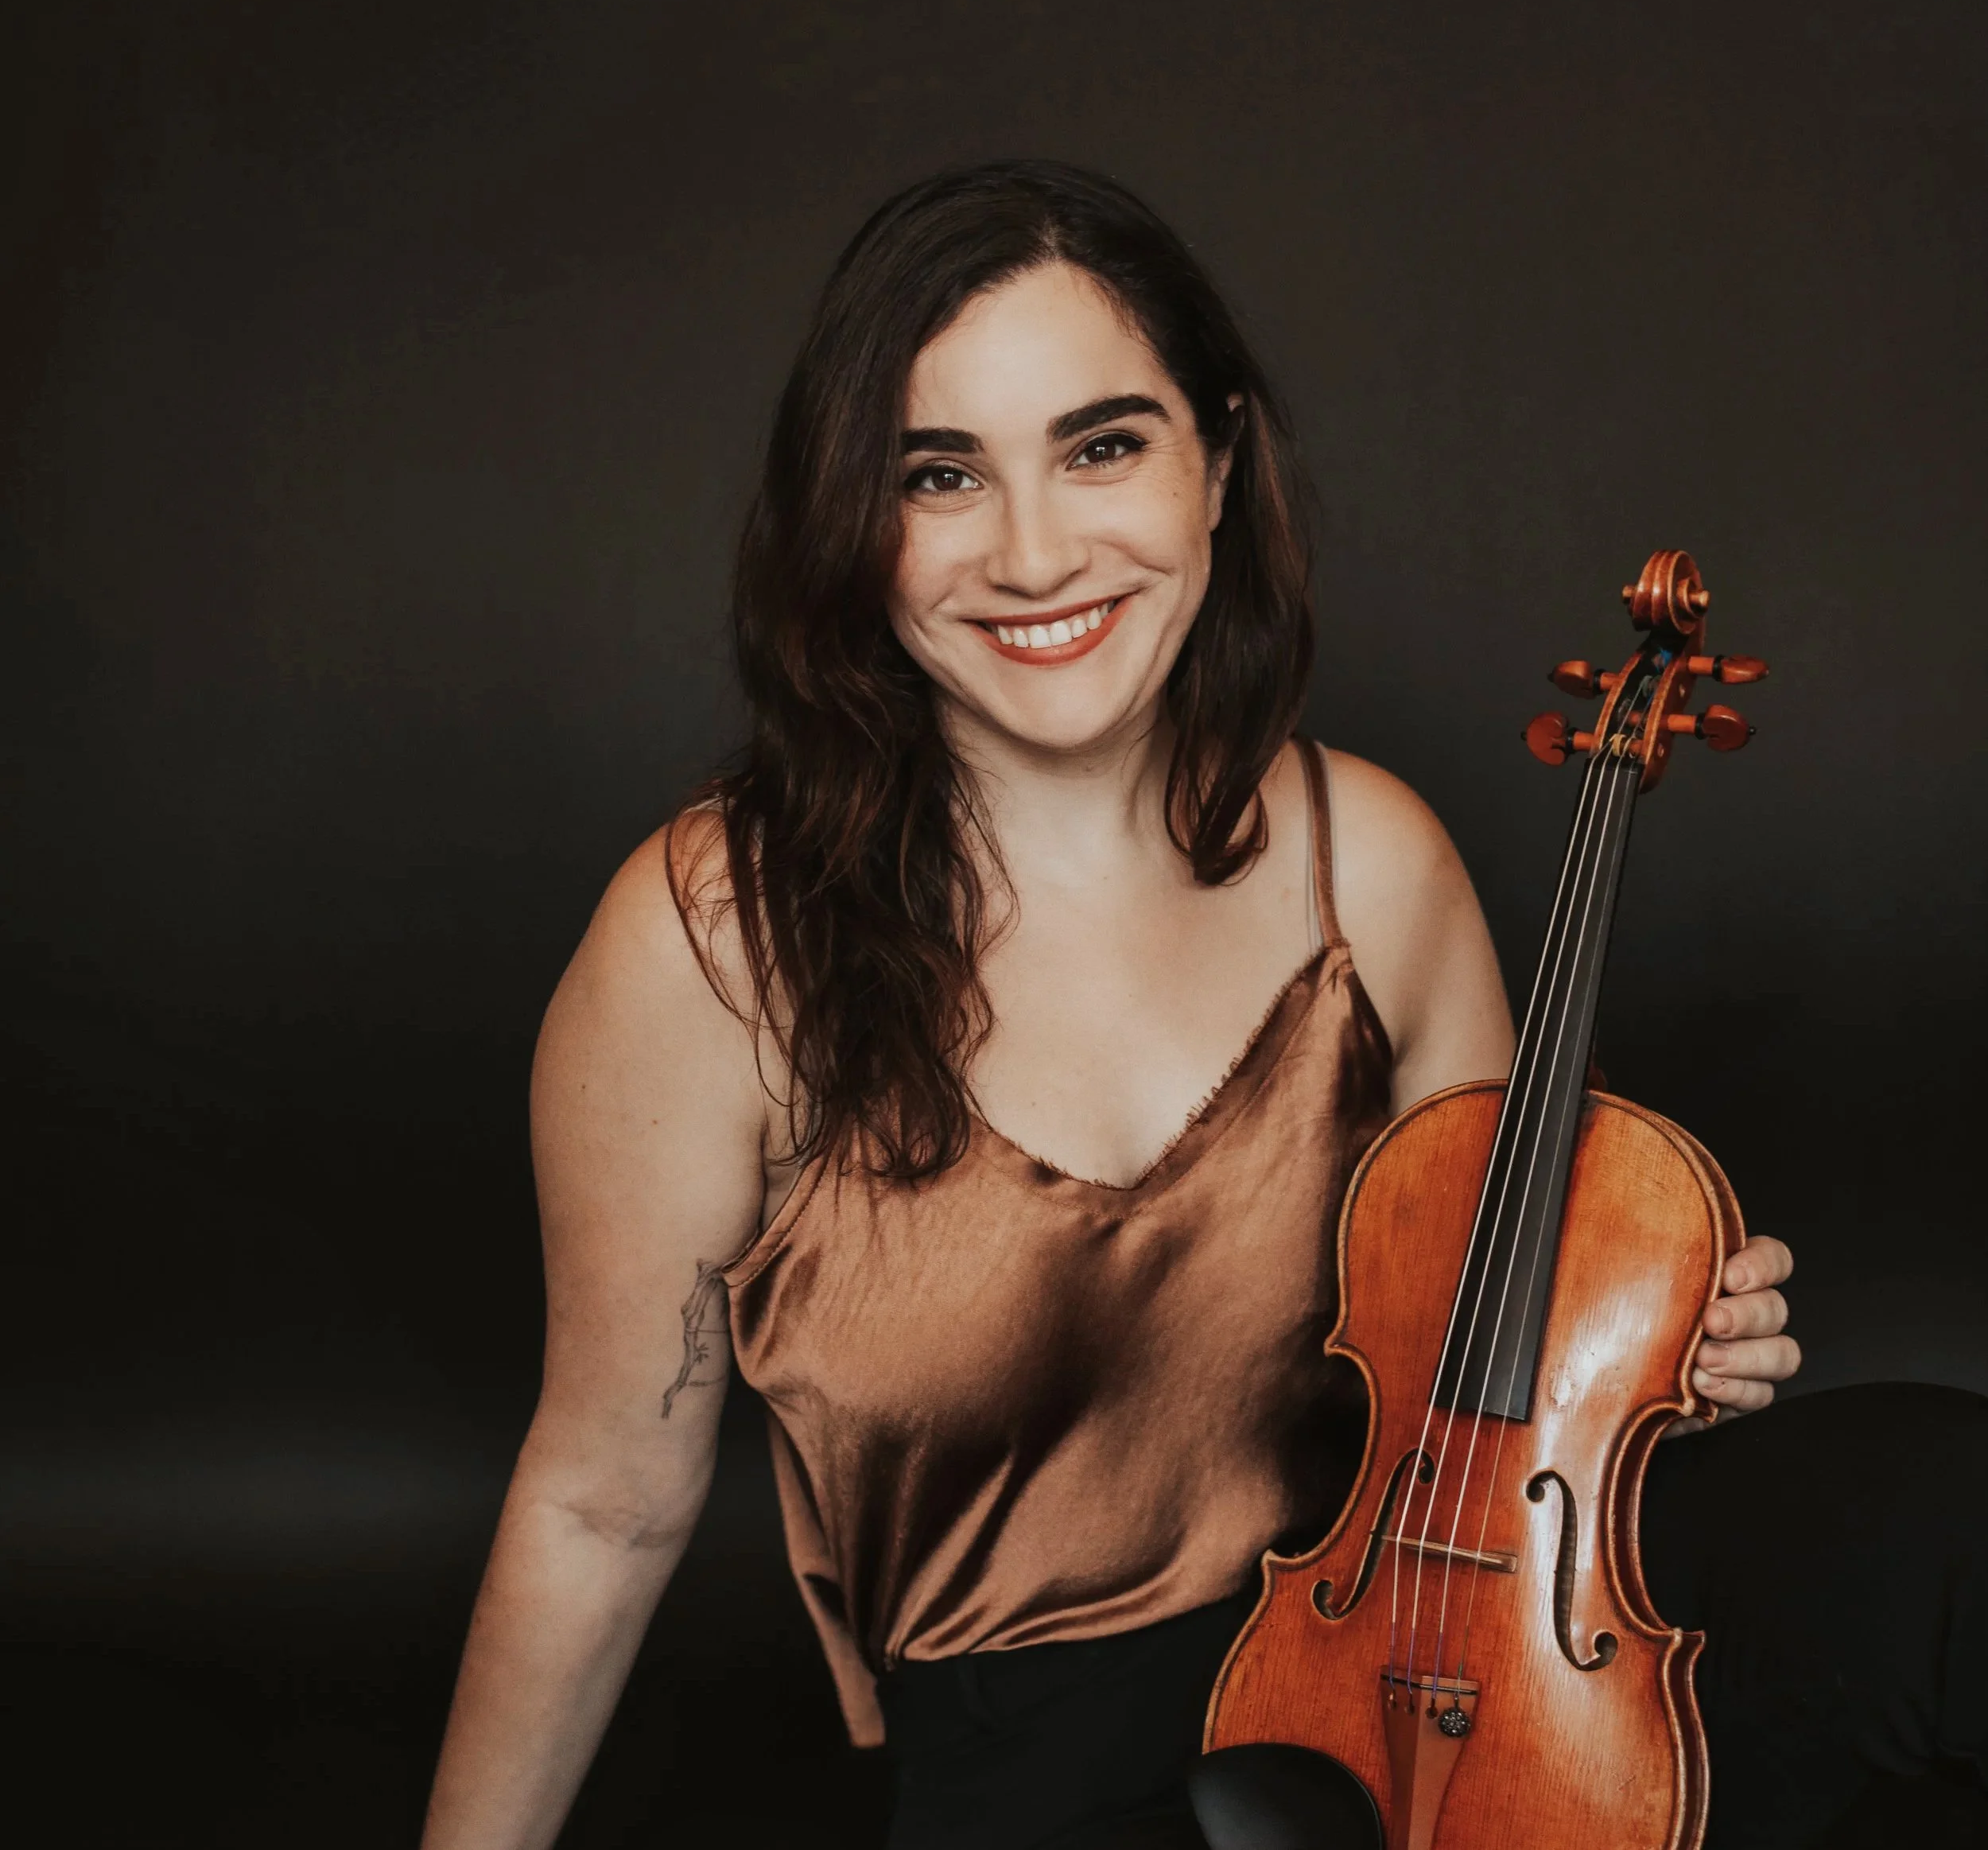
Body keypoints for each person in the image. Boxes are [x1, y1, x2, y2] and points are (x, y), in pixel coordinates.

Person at [421, 161, 1984, 1850]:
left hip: (1438, 1647)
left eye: (1102, 445)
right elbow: (598, 1500)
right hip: (1060, 1771)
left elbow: (1503, 1359)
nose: (1032, 554)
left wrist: (1659, 1333)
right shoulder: (711, 943)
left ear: (1216, 464)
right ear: (849, 522)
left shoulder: (1364, 860)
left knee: (1936, 1501)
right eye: (938, 475)